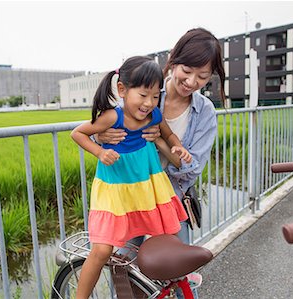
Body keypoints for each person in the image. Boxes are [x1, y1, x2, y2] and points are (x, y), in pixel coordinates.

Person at [95, 27, 226, 298]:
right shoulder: (146, 92)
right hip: (129, 200)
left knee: (179, 280)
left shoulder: (205, 112)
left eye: (202, 76)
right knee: (126, 277)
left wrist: (162, 144)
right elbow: (106, 135)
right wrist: (100, 134)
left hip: (171, 202)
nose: (191, 81)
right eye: (187, 70)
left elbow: (191, 168)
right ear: (174, 61)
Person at [70, 55, 191, 299]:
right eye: (143, 95)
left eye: (155, 96)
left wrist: (178, 146)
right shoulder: (112, 117)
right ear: (123, 90)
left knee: (162, 241)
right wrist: (99, 151)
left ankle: (157, 289)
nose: (149, 103)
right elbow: (78, 133)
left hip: (147, 189)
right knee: (102, 249)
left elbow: (168, 135)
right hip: (115, 189)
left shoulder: (154, 116)